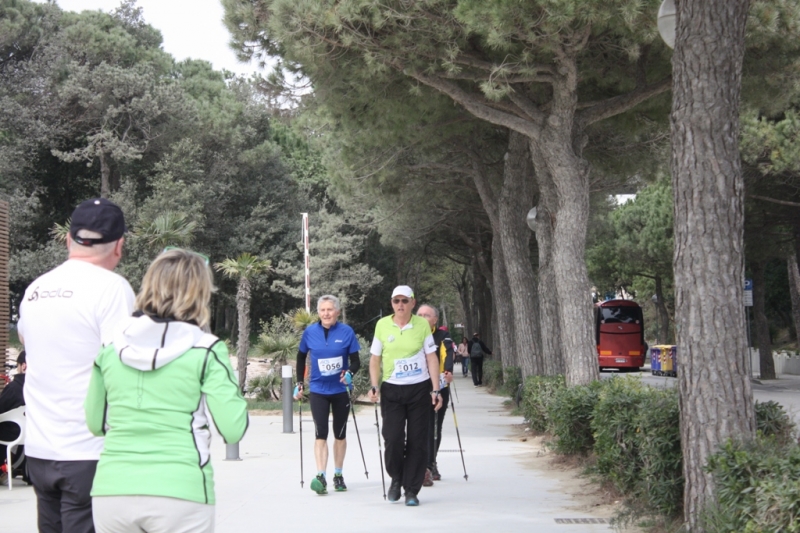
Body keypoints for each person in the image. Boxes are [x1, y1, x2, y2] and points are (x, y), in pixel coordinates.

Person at [85, 248, 248, 533]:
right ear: (200, 293)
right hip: (181, 488)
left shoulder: (110, 348)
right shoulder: (207, 349)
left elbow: (95, 424)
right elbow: (233, 429)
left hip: (112, 488)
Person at [18, 198, 135, 532]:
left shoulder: (36, 289)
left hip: (40, 448)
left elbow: (27, 342)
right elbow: (123, 362)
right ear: (119, 247)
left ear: (69, 239)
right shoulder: (112, 289)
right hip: (88, 450)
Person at [368, 286, 442, 507]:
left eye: (404, 301)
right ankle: (396, 478)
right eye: (396, 301)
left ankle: (411, 489)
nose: (400, 305)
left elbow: (432, 358)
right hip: (392, 389)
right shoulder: (382, 325)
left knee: (418, 442)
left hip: (419, 389)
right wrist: (374, 386)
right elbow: (374, 359)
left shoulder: (421, 325)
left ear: (412, 303)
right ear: (392, 303)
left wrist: (436, 390)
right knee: (393, 439)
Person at [294, 294, 361, 495]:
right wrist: (299, 383)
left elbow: (356, 361)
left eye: (330, 309)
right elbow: (300, 356)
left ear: (337, 312)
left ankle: (338, 475)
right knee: (320, 433)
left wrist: (350, 372)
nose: (326, 313)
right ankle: (321, 476)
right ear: (318, 312)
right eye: (323, 310)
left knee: (340, 434)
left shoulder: (346, 332)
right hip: (318, 391)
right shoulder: (310, 332)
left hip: (340, 391)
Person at [416, 306, 453, 485]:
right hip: (416, 387)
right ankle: (419, 465)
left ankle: (430, 465)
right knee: (419, 427)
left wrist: (448, 372)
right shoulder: (411, 334)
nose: (422, 318)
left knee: (434, 427)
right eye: (420, 315)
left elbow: (447, 354)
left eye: (427, 315)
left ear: (435, 319)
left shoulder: (442, 336)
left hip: (438, 386)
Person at [0, 350, 27, 485]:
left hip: (9, 434)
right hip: (29, 434)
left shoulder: (14, 388)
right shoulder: (39, 389)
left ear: (23, 366)